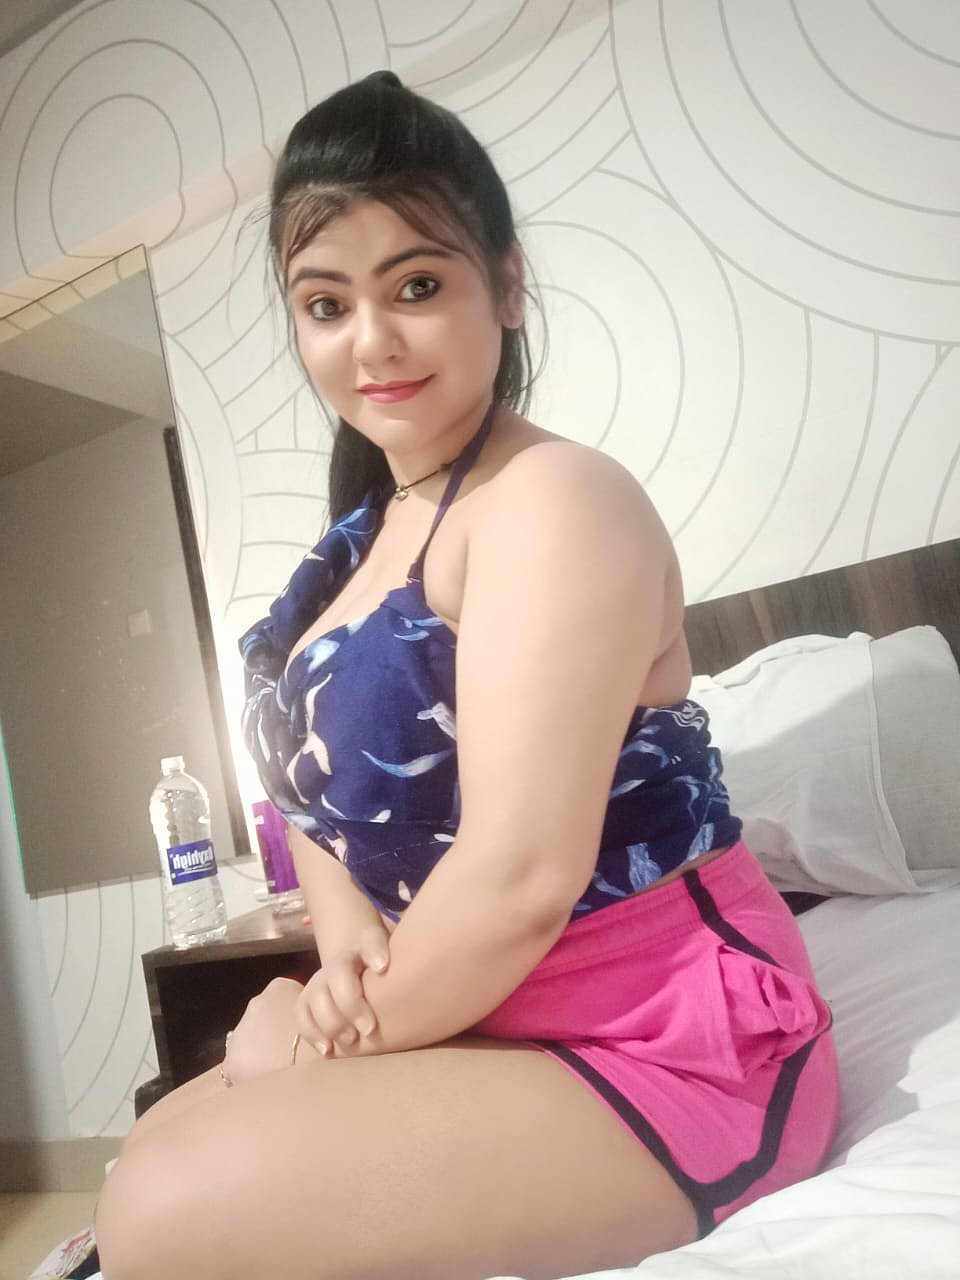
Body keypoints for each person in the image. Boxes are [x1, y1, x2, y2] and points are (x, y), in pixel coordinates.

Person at [95, 71, 839, 1280]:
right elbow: (310, 799)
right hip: (471, 1008)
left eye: (417, 286)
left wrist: (319, 1046)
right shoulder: (351, 553)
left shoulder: (555, 498)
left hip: (659, 1035)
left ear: (507, 284)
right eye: (326, 303)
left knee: (157, 1207)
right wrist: (339, 957)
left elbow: (520, 876)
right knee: (154, 1149)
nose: (372, 341)